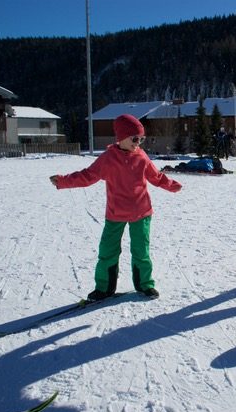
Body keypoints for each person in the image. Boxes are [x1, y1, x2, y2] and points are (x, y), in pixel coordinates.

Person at [50, 114, 182, 301]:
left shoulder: (142, 157)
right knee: (108, 251)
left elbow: (156, 177)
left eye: (141, 139)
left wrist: (172, 185)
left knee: (141, 251)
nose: (138, 143)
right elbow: (87, 176)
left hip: (141, 212)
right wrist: (63, 181)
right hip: (115, 213)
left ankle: (145, 285)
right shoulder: (108, 159)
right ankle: (104, 288)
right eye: (134, 138)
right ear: (121, 137)